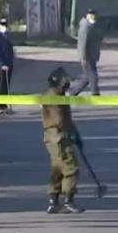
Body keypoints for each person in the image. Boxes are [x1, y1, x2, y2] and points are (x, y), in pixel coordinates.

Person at [42, 67, 85, 214]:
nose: (66, 82)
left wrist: (76, 134)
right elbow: (59, 119)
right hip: (57, 136)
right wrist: (69, 133)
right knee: (70, 166)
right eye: (64, 80)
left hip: (57, 135)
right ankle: (68, 200)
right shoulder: (53, 96)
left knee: (58, 168)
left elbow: (67, 118)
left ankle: (53, 202)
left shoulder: (59, 95)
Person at [69, 9, 103, 96]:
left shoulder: (92, 26)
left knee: (87, 77)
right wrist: (83, 57)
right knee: (93, 76)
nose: (93, 17)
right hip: (87, 57)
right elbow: (82, 44)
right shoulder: (85, 27)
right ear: (87, 16)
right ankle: (95, 93)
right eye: (91, 15)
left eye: (94, 14)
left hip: (91, 55)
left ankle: (73, 92)